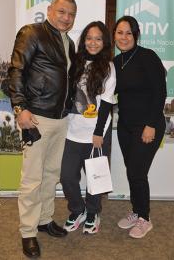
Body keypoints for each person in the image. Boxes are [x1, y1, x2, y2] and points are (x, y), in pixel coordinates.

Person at [7, 0, 77, 258]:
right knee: (32, 178)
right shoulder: (32, 33)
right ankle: (28, 232)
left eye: (71, 14)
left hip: (61, 119)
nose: (66, 18)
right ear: (49, 10)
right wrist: (19, 108)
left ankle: (45, 219)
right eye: (62, 12)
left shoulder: (69, 43)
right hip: (35, 117)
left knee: (50, 174)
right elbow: (16, 70)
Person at [113, 16, 167, 239]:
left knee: (137, 172)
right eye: (119, 32)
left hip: (147, 126)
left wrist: (151, 124)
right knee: (132, 171)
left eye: (128, 33)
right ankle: (136, 211)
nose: (123, 37)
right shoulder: (117, 62)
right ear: (114, 35)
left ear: (136, 35)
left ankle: (145, 218)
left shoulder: (147, 57)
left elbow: (160, 93)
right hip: (125, 126)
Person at [60, 21, 116, 235]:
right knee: (67, 176)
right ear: (83, 40)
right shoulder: (74, 63)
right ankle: (77, 209)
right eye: (89, 38)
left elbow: (108, 103)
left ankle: (93, 212)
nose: (93, 42)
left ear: (105, 42)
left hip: (96, 132)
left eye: (98, 38)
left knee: (95, 176)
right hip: (72, 131)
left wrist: (99, 132)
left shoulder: (108, 68)